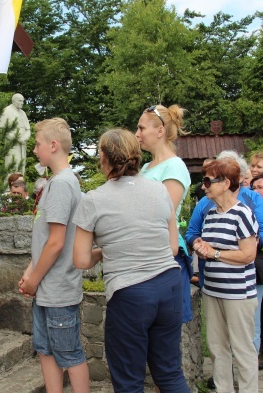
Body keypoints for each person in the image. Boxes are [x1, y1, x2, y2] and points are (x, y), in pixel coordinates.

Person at [73, 129, 188, 393]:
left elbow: (80, 259)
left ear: (103, 157)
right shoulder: (160, 190)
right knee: (170, 374)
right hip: (169, 285)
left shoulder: (94, 200)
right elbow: (172, 247)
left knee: (129, 382)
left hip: (130, 293)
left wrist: (107, 250)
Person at [18, 118, 89, 393]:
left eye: (37, 144)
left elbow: (57, 243)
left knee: (69, 355)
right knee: (45, 351)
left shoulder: (61, 185)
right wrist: (30, 271)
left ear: (53, 145)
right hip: (46, 289)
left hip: (57, 289)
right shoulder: (54, 183)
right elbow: (45, 239)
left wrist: (33, 279)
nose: (35, 150)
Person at [192, 159, 259, 393]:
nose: (204, 186)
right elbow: (211, 249)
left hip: (239, 294)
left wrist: (215, 252)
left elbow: (249, 254)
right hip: (213, 291)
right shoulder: (210, 214)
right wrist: (202, 247)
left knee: (242, 349)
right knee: (217, 348)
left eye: (208, 181)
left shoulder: (242, 214)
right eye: (204, 181)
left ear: (226, 183)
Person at [135, 104, 193, 323]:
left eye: (141, 128)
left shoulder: (174, 166)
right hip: (146, 252)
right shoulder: (147, 167)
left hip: (166, 254)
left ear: (160, 131)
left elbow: (163, 213)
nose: (137, 134)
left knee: (164, 330)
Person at [0, 93, 31, 172]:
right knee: (13, 165)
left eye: (22, 101)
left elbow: (28, 129)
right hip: (12, 144)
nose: (22, 103)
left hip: (22, 144)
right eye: (20, 101)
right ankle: (11, 183)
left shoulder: (23, 113)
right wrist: (16, 139)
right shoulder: (6, 111)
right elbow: (3, 129)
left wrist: (24, 138)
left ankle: (20, 183)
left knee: (22, 166)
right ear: (14, 101)